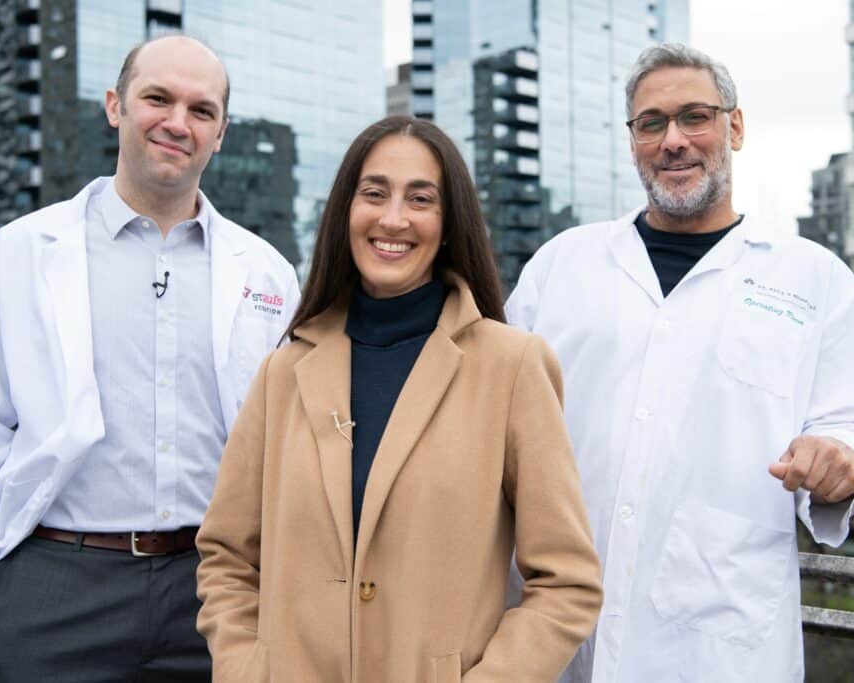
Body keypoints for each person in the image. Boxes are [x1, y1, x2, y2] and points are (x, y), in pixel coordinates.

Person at [506, 43, 854, 682]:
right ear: (632, 139)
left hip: (719, 648)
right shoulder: (562, 265)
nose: (674, 141)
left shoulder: (813, 280)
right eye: (651, 123)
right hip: (555, 636)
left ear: (734, 127)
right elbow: (494, 408)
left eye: (696, 117)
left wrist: (838, 455)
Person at [0, 35, 299, 682]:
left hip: (215, 589)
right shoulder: (24, 251)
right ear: (115, 106)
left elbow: (293, 435)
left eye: (201, 110)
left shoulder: (266, 272)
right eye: (158, 98)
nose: (178, 122)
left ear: (221, 134)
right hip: (50, 585)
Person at [195, 115, 604, 682]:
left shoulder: (511, 367)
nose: (393, 218)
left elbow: (567, 582)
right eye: (374, 193)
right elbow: (227, 558)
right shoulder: (282, 373)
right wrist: (248, 670)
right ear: (345, 211)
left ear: (448, 220)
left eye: (421, 199)